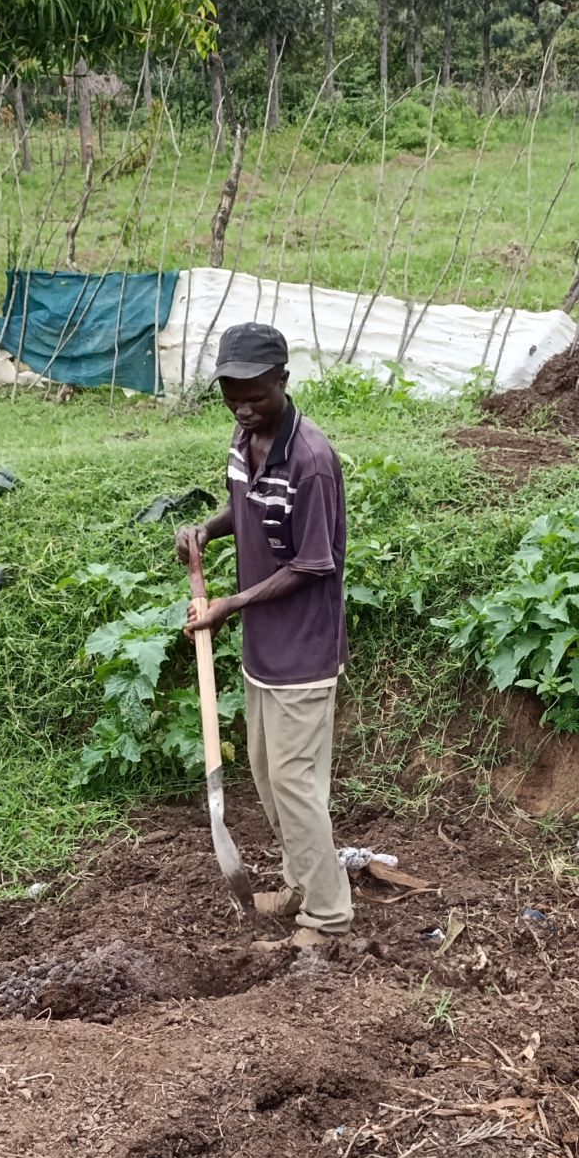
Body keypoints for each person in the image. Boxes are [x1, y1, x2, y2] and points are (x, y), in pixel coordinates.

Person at [175, 323, 352, 945]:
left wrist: (231, 603)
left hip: (303, 648)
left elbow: (311, 564)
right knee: (266, 773)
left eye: (256, 394)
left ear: (283, 379)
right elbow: (245, 504)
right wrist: (207, 529)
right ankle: (302, 880)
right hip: (262, 647)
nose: (244, 407)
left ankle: (327, 917)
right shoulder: (246, 435)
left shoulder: (311, 462)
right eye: (232, 394)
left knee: (298, 785)